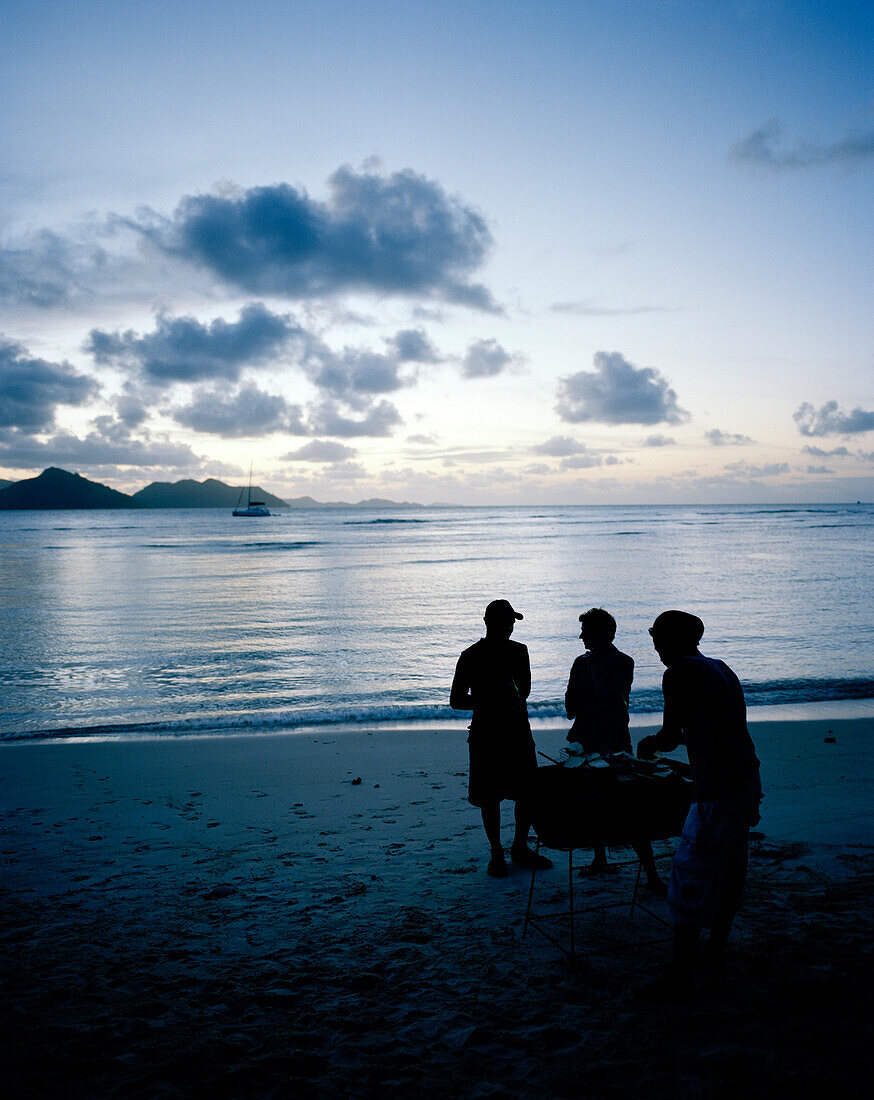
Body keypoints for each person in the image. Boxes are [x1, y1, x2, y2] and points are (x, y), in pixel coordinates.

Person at [637, 610, 762, 993]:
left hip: (718, 789)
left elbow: (672, 733)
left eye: (657, 636)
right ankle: (716, 949)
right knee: (728, 869)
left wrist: (651, 744)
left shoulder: (677, 673)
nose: (654, 644)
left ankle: (681, 972)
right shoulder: (720, 667)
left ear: (673, 639)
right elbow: (714, 725)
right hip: (746, 778)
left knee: (690, 871)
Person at [450, 599, 553, 878]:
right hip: (496, 732)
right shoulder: (476, 655)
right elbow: (456, 700)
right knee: (492, 796)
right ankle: (500, 851)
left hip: (506, 731)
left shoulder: (484, 654)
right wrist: (491, 699)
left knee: (519, 793)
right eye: (506, 622)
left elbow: (524, 690)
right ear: (489, 623)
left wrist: (487, 699)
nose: (509, 628)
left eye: (510, 623)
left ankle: (513, 848)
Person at [565, 608, 666, 893]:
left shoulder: (623, 662)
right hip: (584, 740)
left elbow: (612, 703)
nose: (581, 635)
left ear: (603, 634)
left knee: (629, 808)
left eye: (586, 631)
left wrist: (589, 675)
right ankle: (600, 858)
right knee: (592, 803)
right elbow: (571, 707)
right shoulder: (580, 662)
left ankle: (651, 874)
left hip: (613, 742)